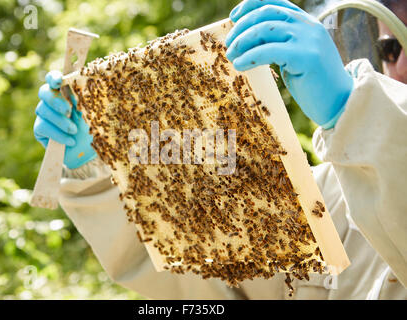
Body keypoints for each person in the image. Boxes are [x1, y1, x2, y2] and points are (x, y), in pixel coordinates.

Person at [33, 0, 406, 299]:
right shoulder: (329, 197)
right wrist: (98, 163)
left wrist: (355, 111)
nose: (400, 61)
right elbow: (203, 279)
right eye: (389, 47)